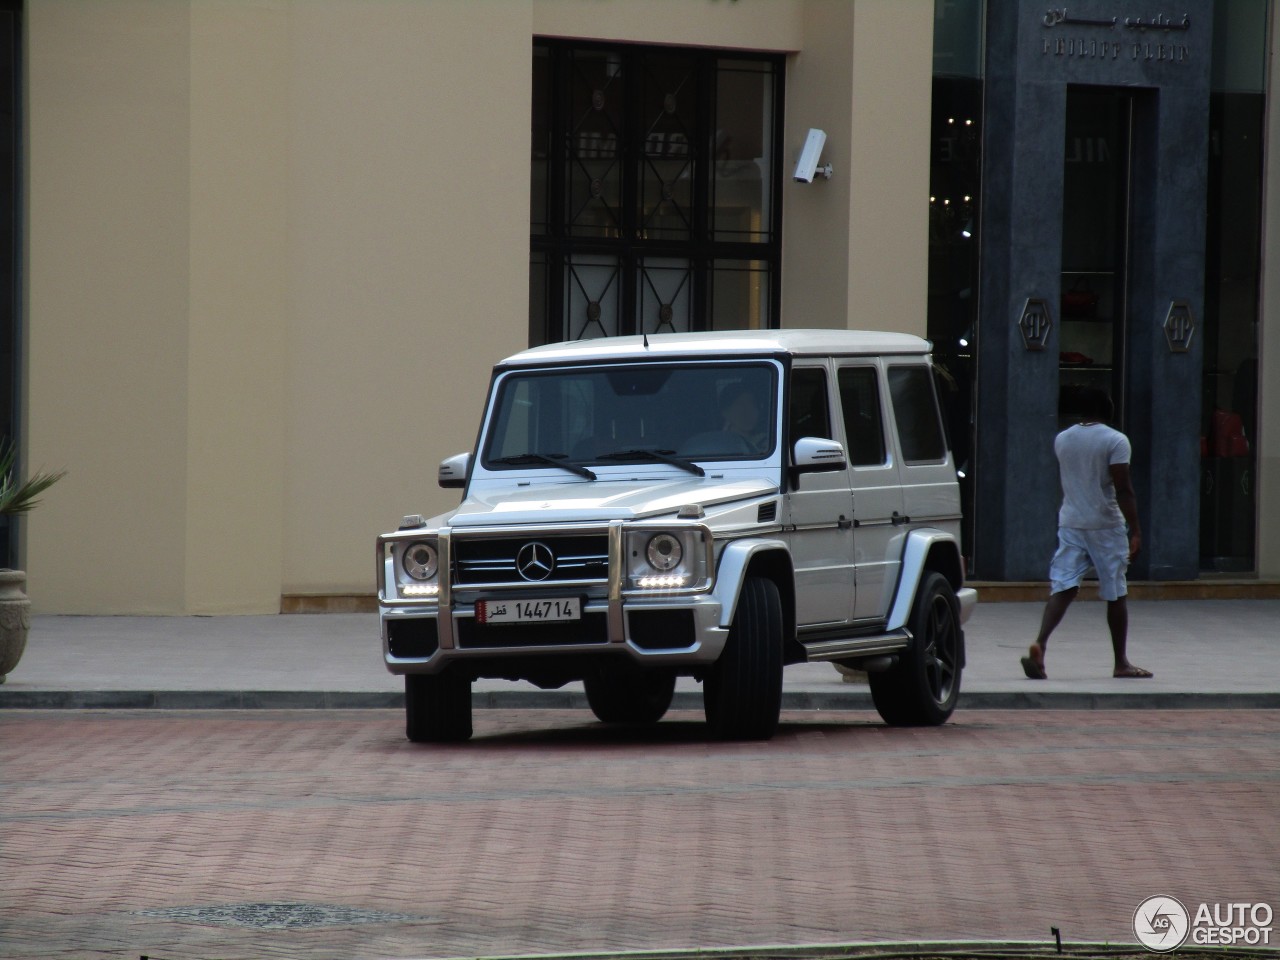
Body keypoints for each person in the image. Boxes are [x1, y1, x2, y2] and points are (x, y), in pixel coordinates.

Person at [1021, 388, 1152, 680]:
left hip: (1070, 521)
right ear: (1109, 410)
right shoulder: (1116, 440)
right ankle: (1121, 662)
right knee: (1115, 592)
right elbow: (1124, 489)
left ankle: (1040, 643)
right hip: (1105, 524)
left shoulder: (1063, 438)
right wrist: (1136, 530)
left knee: (1064, 586)